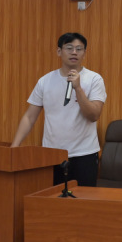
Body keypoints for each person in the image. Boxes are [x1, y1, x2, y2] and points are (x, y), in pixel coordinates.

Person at [11, 32, 107, 187]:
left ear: (84, 53)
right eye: (69, 48)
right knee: (51, 199)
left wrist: (78, 88)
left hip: (84, 155)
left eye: (79, 49)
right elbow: (29, 117)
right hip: (51, 155)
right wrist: (14, 147)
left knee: (82, 200)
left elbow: (94, 115)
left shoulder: (94, 79)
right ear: (59, 51)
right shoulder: (45, 81)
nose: (74, 52)